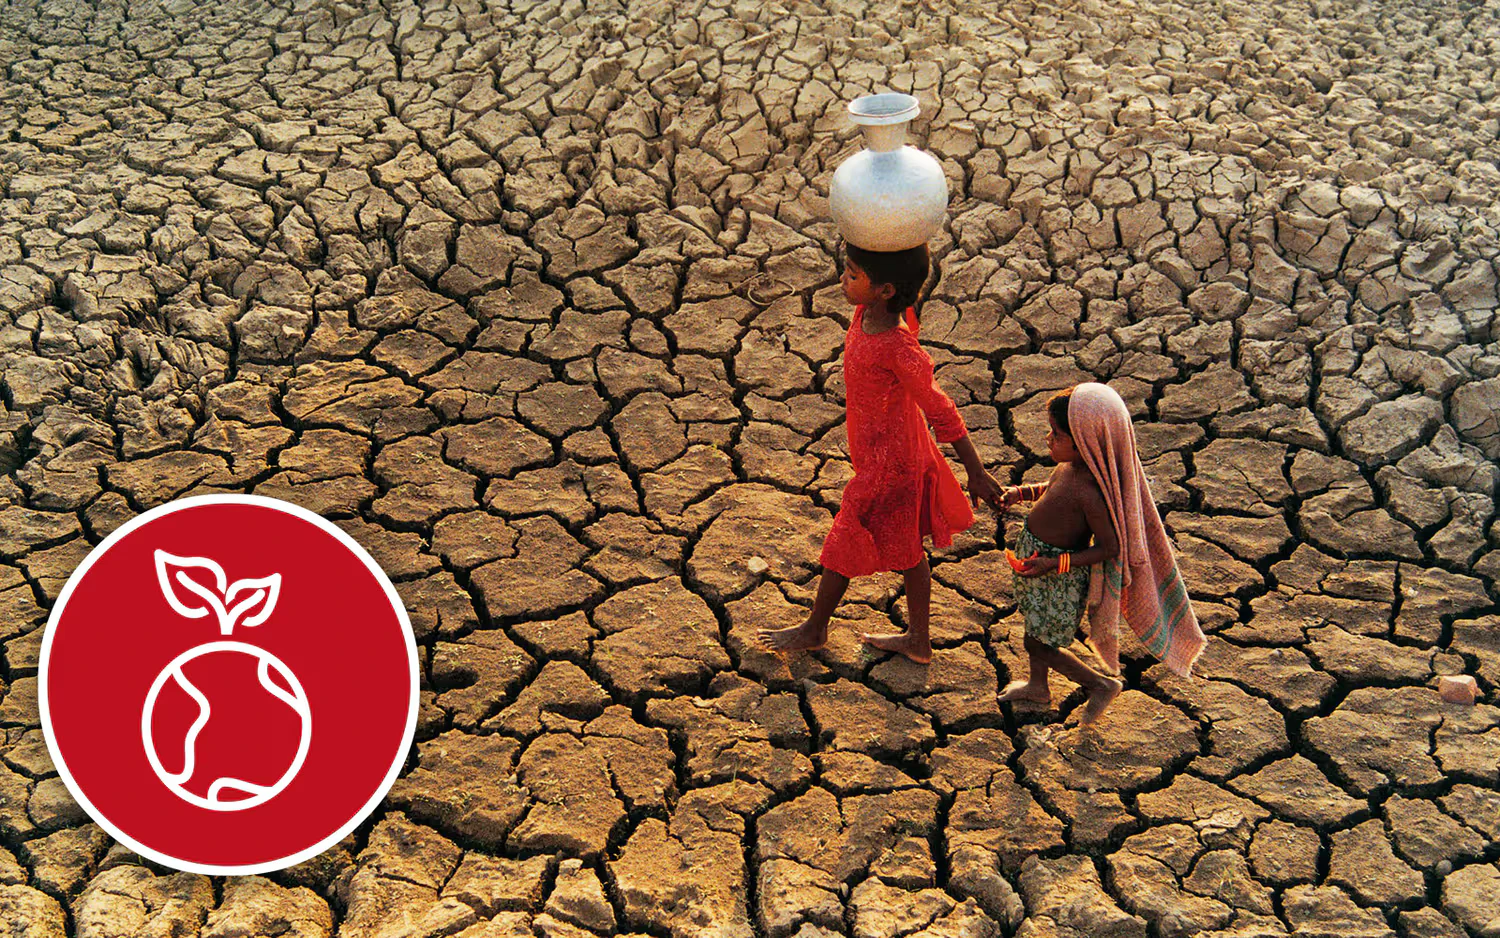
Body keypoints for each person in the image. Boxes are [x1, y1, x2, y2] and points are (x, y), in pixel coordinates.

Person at [757, 242, 1002, 663]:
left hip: (892, 464)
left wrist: (975, 471)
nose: (842, 279)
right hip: (876, 454)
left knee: (845, 535)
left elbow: (941, 408)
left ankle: (815, 628)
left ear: (886, 290)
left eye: (852, 275)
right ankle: (918, 641)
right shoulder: (866, 312)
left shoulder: (897, 347)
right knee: (908, 552)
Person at [998, 383, 1205, 724]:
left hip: (1058, 580)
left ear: (1086, 443)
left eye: (1057, 434)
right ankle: (1038, 686)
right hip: (1041, 569)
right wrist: (1020, 493)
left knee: (1039, 644)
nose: (1049, 439)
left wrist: (1056, 563)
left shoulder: (1090, 491)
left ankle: (1101, 685)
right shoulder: (1069, 468)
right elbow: (1049, 490)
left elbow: (1111, 548)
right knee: (1034, 632)